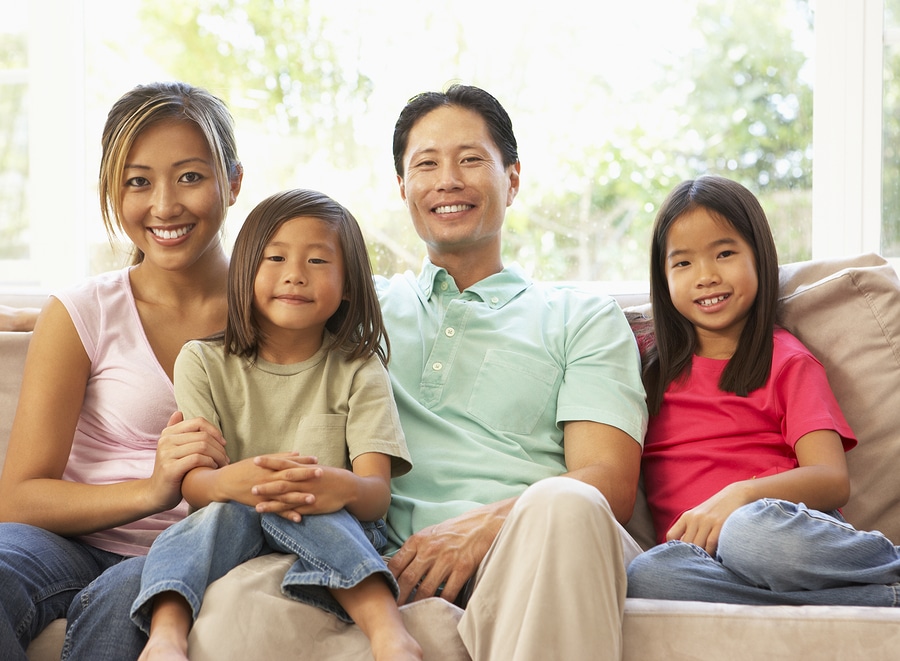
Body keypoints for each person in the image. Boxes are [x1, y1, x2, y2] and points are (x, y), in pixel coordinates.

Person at [243, 84, 648, 660]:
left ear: (512, 178)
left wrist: (485, 529)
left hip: (538, 551)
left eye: (471, 160)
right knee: (236, 593)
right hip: (385, 558)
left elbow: (609, 480)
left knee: (567, 502)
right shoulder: (353, 308)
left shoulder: (580, 315)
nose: (447, 180)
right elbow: (242, 326)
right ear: (403, 188)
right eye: (425, 164)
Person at [0, 81, 242, 659]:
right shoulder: (81, 312)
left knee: (122, 599)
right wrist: (154, 489)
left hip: (185, 553)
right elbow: (18, 499)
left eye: (189, 176)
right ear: (113, 191)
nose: (163, 205)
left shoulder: (282, 313)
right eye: (138, 181)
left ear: (233, 181)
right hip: (65, 543)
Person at [130, 188, 421, 661]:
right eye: (276, 257)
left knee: (311, 500)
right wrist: (232, 481)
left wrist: (336, 486)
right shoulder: (201, 361)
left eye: (318, 262)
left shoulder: (360, 369)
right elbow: (196, 487)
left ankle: (389, 632)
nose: (294, 276)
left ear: (348, 284)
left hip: (329, 522)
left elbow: (376, 493)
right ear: (245, 271)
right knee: (210, 519)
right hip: (233, 516)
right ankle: (165, 636)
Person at [626, 175, 900, 606]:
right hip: (702, 558)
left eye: (724, 253)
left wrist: (741, 495)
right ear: (663, 278)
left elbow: (831, 479)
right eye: (683, 263)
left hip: (773, 530)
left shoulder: (786, 360)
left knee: (748, 535)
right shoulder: (647, 372)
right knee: (647, 576)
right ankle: (882, 598)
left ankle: (890, 566)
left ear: (760, 256)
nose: (706, 276)